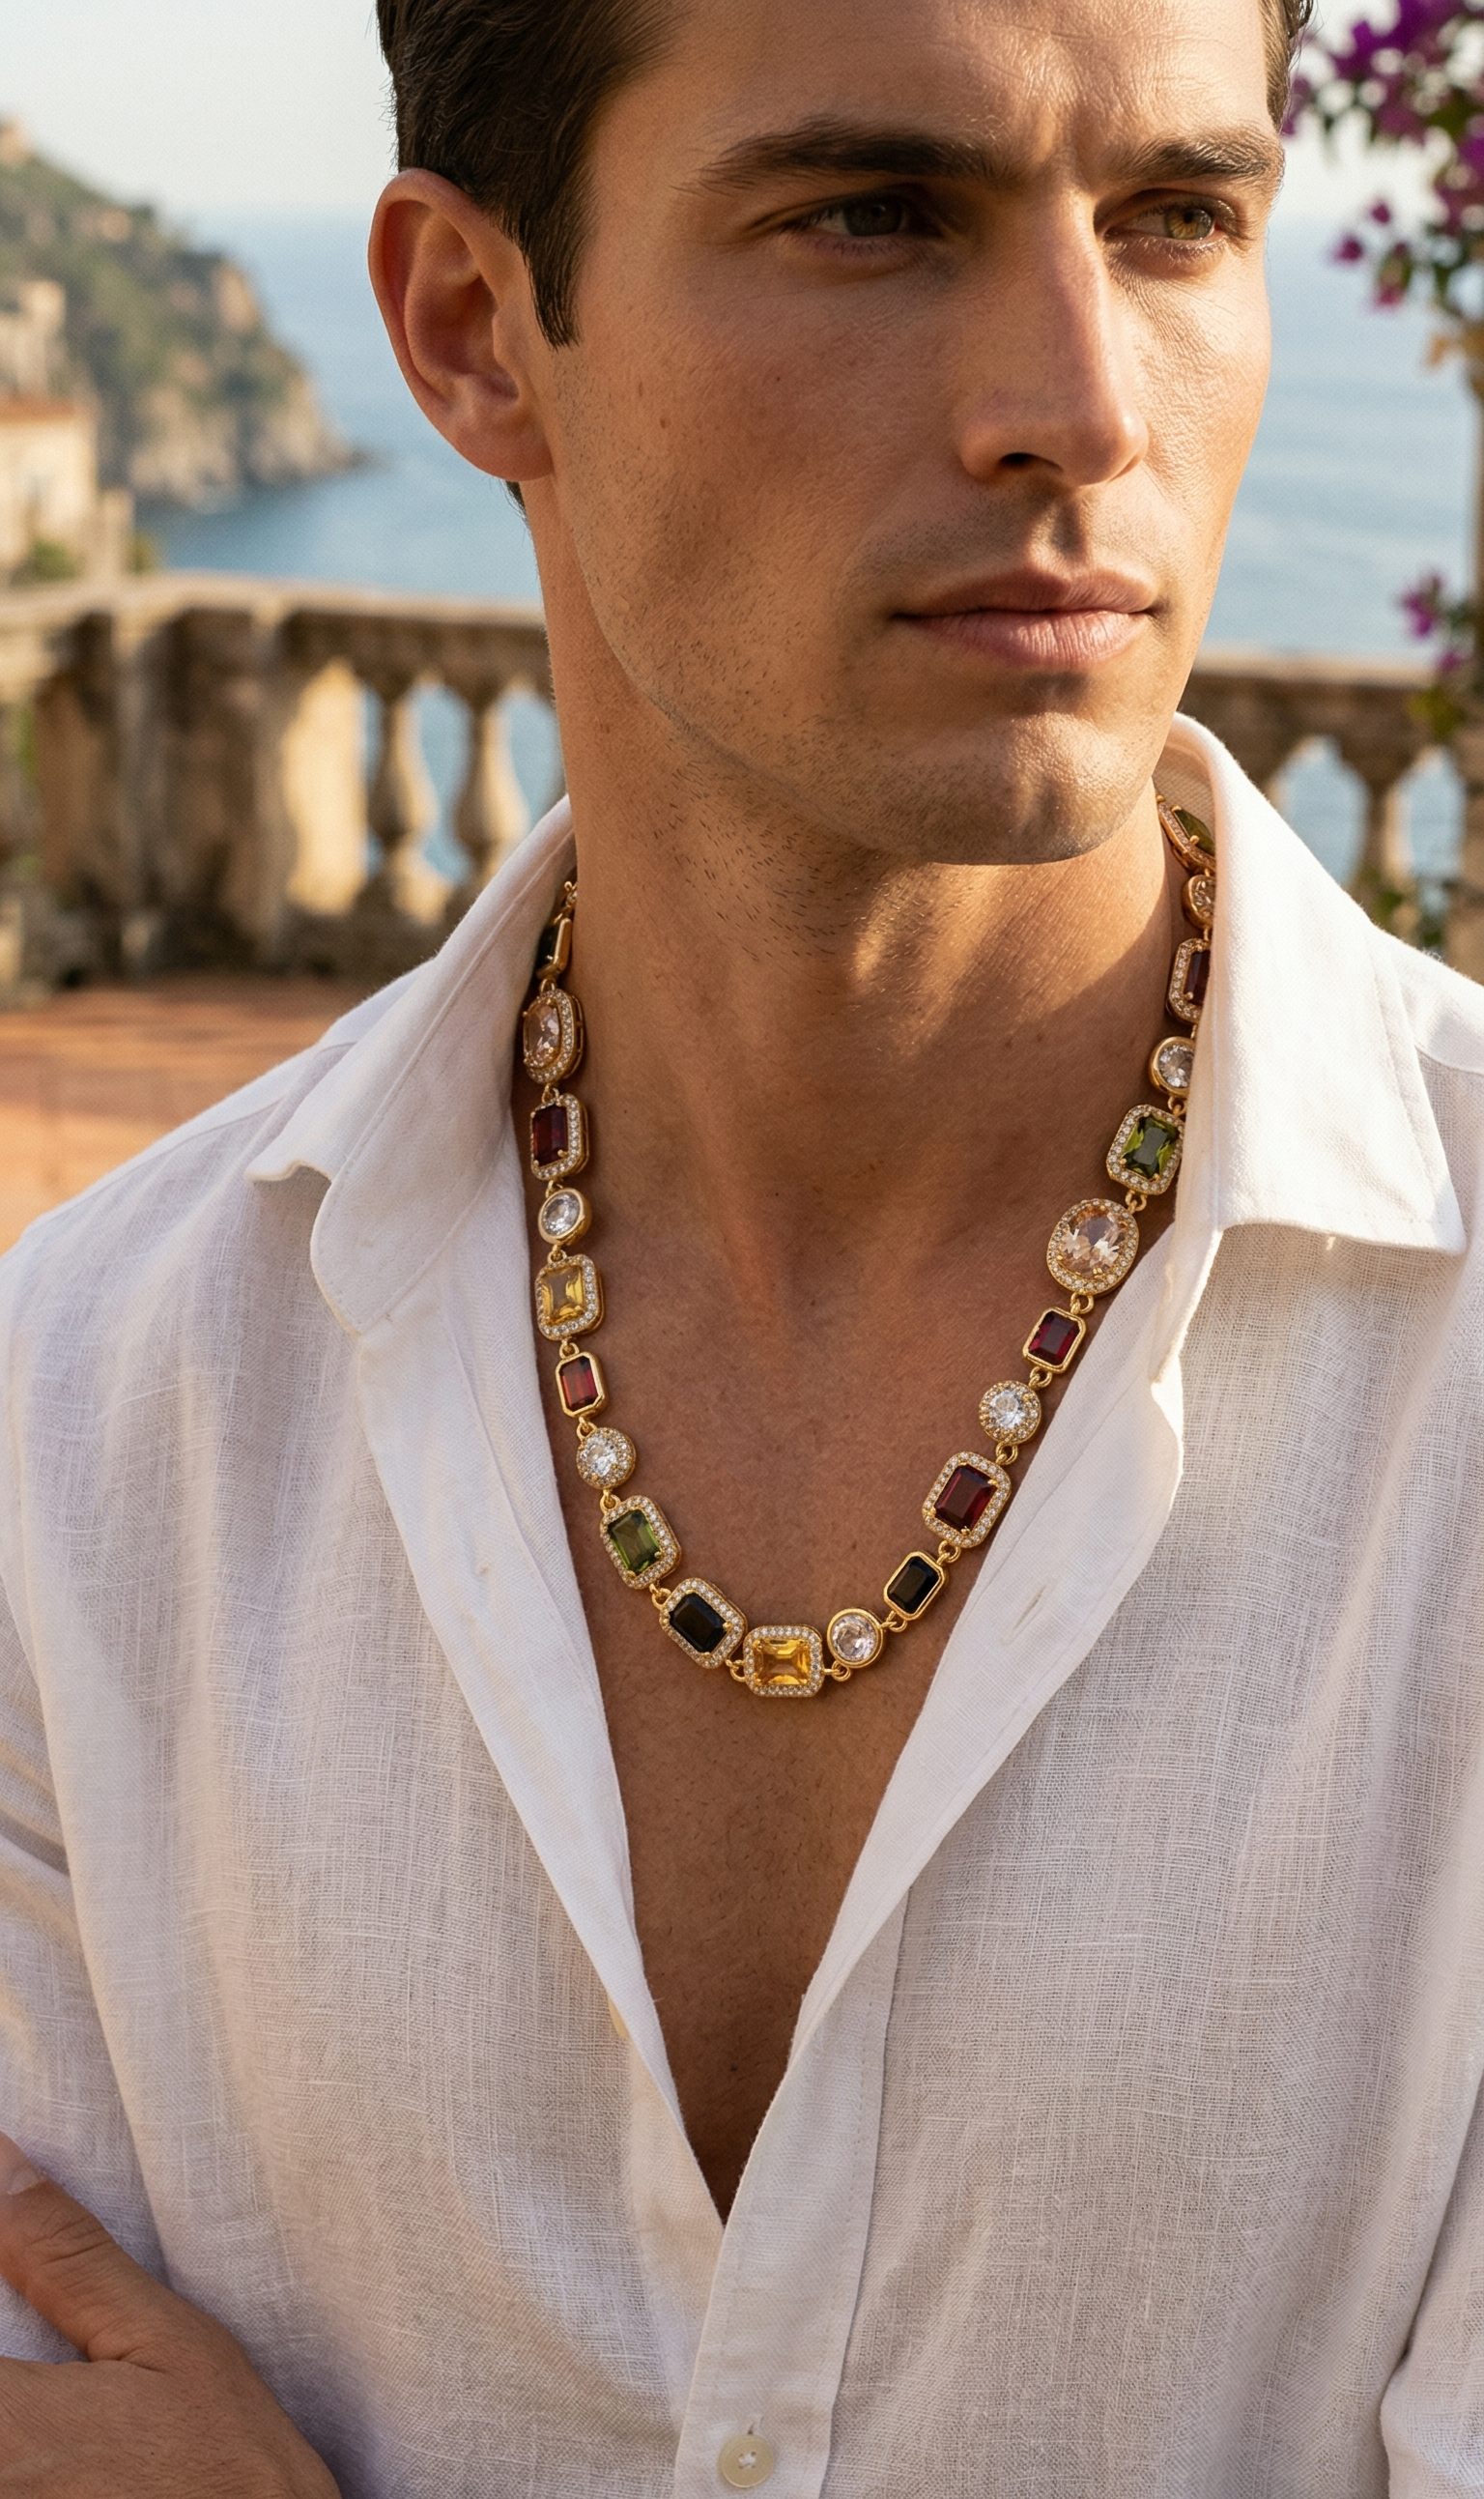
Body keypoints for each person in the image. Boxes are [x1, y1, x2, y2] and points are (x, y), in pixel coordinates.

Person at [2, 0, 1481, 2489]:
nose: (1081, 408)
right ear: (474, 330)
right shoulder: (76, 1432)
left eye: (1179, 219)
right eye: (874, 217)